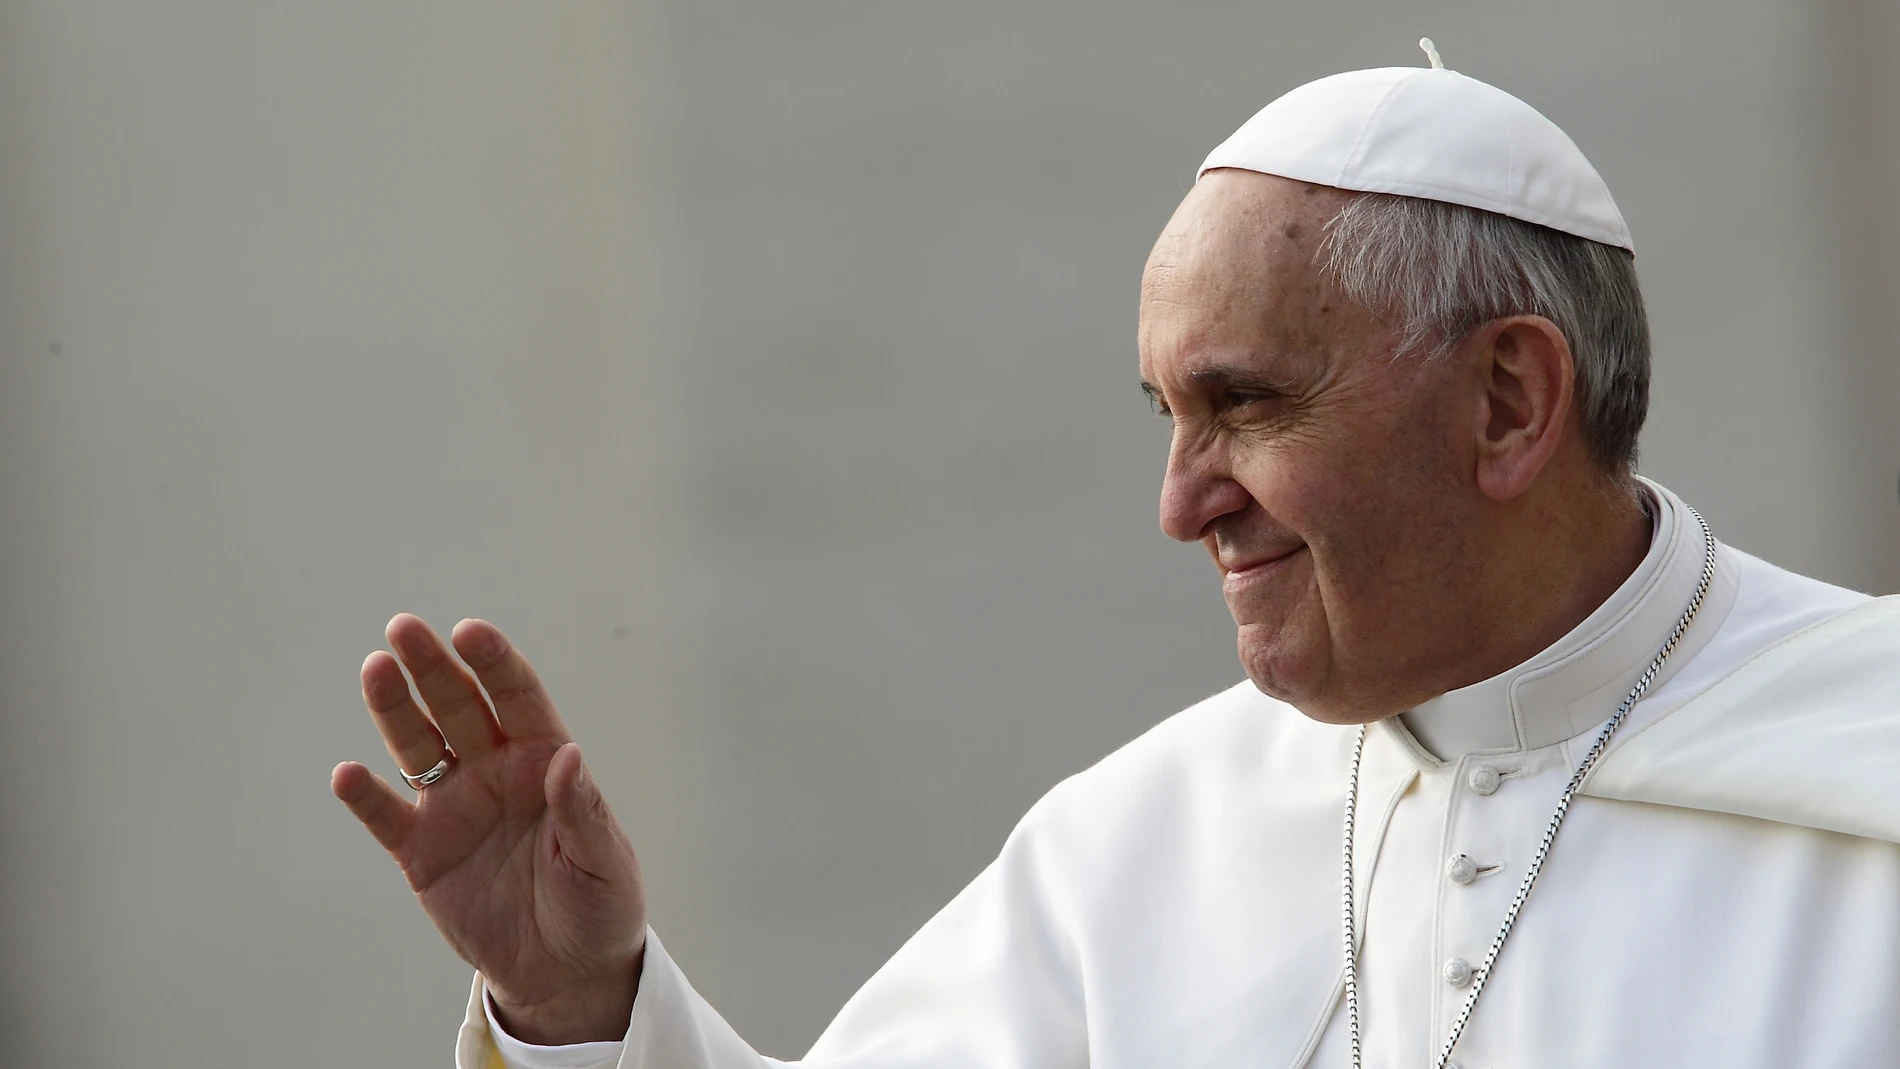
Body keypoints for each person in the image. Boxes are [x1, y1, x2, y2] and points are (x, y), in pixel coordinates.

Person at [332, 46, 1900, 1069]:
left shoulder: (1867, 767)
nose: (1182, 502)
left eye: (1245, 406)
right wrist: (577, 1011)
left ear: (1507, 402)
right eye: (1165, 412)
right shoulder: (1131, 857)